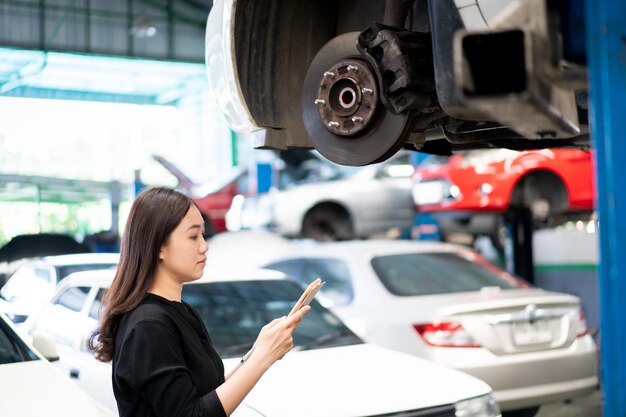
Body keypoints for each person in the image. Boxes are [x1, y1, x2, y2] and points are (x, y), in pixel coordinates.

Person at [89, 186, 310, 417]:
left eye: (203, 235)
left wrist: (257, 353)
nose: (204, 246)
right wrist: (262, 359)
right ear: (158, 247)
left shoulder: (180, 311)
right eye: (193, 236)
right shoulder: (148, 325)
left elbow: (206, 396)